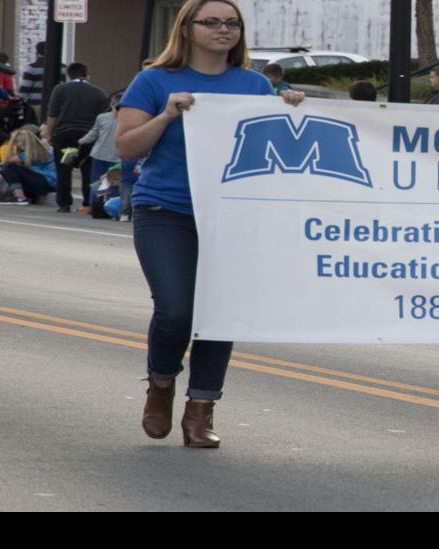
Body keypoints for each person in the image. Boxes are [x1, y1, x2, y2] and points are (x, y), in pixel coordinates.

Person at [116, 0, 308, 448]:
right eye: (213, 22)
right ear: (187, 28)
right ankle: (161, 384)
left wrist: (290, 111)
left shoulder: (254, 84)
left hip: (233, 215)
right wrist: (166, 115)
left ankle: (200, 410)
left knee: (220, 313)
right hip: (167, 210)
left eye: (232, 23)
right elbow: (126, 148)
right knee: (176, 309)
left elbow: (276, 151)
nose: (224, 30)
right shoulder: (155, 80)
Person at [44, 62, 109, 213]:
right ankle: (88, 202)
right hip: (88, 136)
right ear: (87, 75)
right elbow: (102, 117)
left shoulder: (60, 89)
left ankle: (64, 203)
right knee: (88, 169)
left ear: (69, 75)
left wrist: (50, 134)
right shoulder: (98, 92)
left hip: (65, 135)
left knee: (64, 169)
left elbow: (52, 115)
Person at [77, 90, 123, 211]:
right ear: (111, 105)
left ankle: (110, 206)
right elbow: (94, 132)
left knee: (114, 183)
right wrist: (84, 139)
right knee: (96, 182)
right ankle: (95, 207)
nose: (118, 109)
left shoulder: (127, 120)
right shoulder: (102, 117)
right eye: (116, 106)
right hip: (99, 155)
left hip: (117, 157)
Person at [0, 125, 57, 205]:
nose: (17, 144)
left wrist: (11, 140)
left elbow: (8, 161)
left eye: (17, 142)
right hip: (49, 183)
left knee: (8, 167)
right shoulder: (44, 149)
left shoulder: (33, 152)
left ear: (25, 142)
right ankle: (16, 195)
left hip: (47, 182)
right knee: (7, 168)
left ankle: (20, 197)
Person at [22, 43, 53, 123]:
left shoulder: (31, 67)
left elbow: (25, 88)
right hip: (54, 103)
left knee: (37, 126)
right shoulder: (62, 68)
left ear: (37, 52)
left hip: (35, 103)